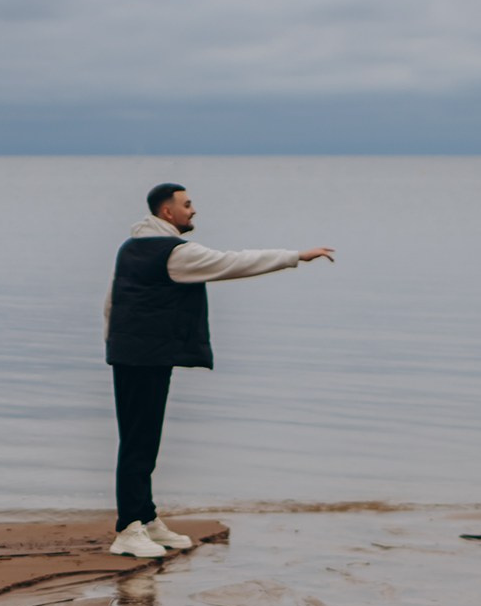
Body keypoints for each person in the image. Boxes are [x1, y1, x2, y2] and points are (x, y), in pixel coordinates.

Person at [105, 183, 335, 560]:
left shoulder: (131, 248)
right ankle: (128, 529)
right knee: (138, 442)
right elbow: (234, 262)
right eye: (187, 204)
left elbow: (111, 300)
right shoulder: (175, 253)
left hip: (134, 354)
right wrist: (295, 256)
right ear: (167, 213)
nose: (193, 210)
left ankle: (145, 518)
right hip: (142, 356)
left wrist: (112, 344)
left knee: (142, 440)